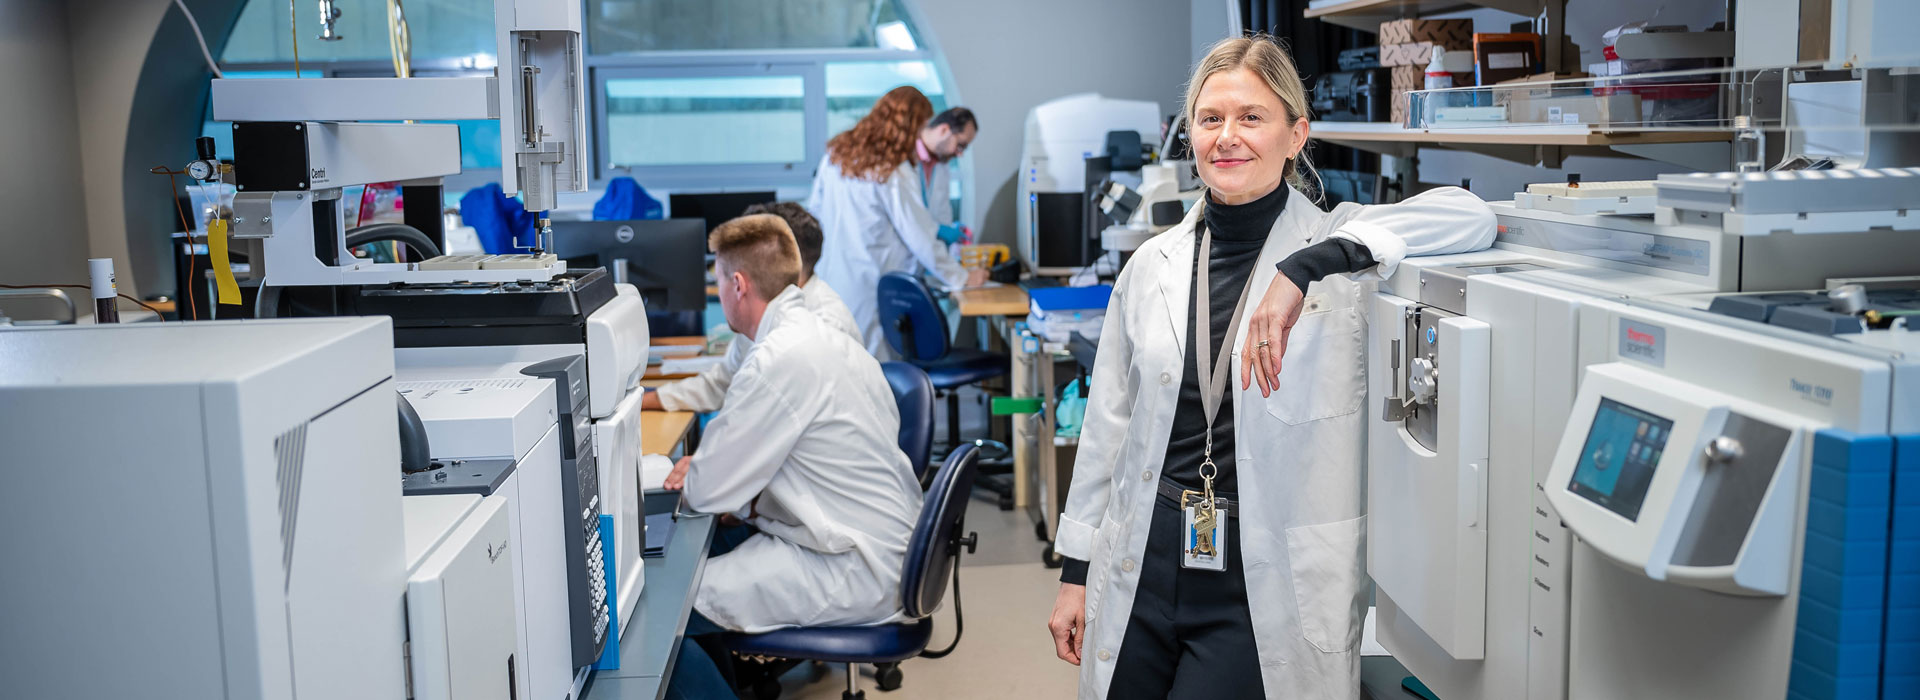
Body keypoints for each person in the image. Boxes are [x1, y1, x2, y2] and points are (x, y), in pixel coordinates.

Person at [1043, 36, 1496, 699]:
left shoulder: (1345, 252)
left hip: (1263, 580)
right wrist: (1075, 574)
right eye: (1210, 119)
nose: (1227, 137)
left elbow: (1472, 216)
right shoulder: (1152, 266)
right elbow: (1108, 429)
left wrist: (1305, 268)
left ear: (1296, 135)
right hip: (1145, 553)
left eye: (1251, 118)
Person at [810, 85, 989, 356]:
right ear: (906, 127)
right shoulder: (892, 170)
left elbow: (814, 214)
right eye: (919, 127)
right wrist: (962, 278)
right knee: (876, 376)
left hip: (830, 283)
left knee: (841, 368)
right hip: (872, 287)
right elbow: (921, 239)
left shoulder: (835, 157)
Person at [642, 202, 858, 413]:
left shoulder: (827, 325)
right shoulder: (765, 306)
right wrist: (649, 400)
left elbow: (774, 418)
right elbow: (723, 382)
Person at [914, 107, 979, 240]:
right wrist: (936, 229)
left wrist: (949, 229)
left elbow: (941, 213)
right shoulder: (906, 158)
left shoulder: (941, 164)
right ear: (944, 130)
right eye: (961, 145)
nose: (960, 154)